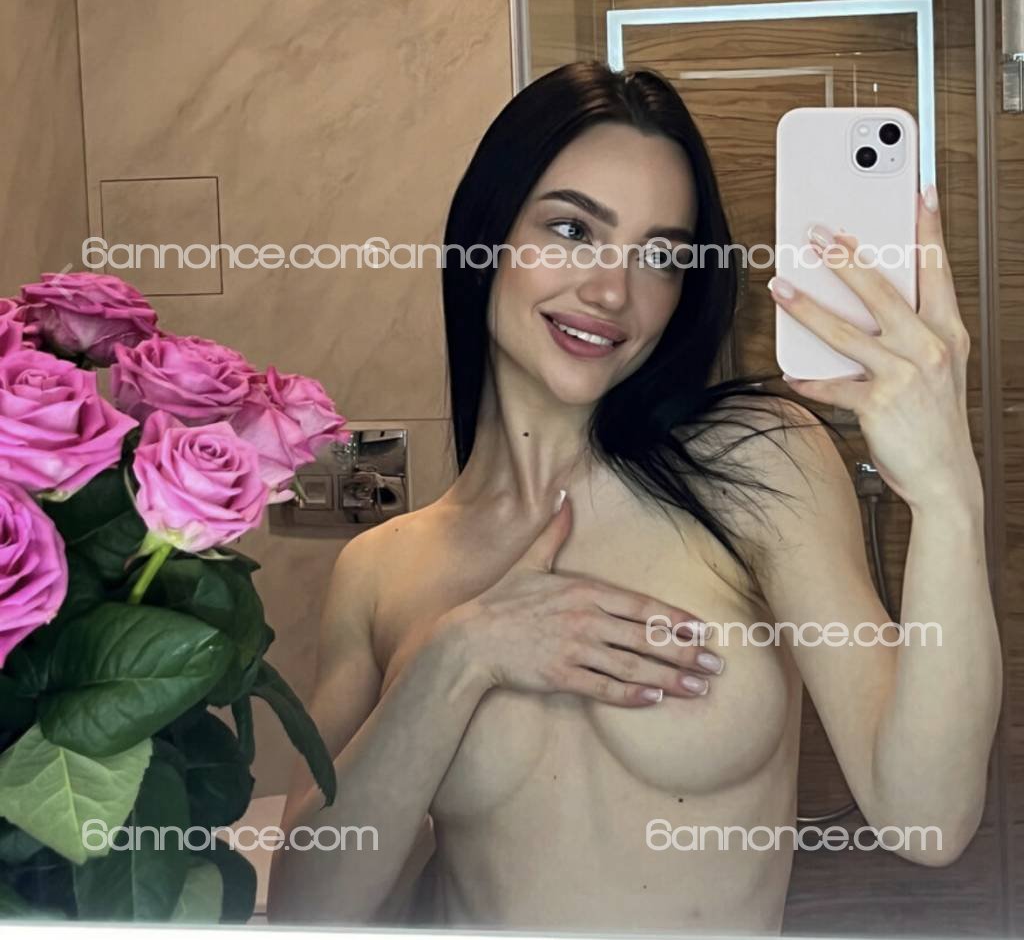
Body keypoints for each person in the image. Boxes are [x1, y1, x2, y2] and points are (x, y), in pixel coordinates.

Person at [267, 62, 1000, 933]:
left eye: (660, 255)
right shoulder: (382, 568)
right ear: (484, 238)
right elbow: (308, 906)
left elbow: (928, 818)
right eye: (572, 228)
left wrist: (947, 495)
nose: (613, 291)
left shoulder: (756, 463)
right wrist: (457, 653)